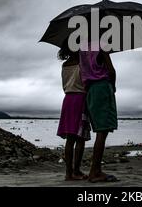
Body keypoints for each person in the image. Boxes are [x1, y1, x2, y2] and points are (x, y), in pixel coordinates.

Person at [80, 41, 118, 183]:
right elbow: (111, 71)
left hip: (90, 90)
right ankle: (94, 171)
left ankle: (94, 171)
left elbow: (82, 72)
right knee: (102, 132)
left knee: (100, 131)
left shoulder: (82, 49)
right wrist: (113, 87)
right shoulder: (101, 45)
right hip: (102, 88)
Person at [56, 43, 91, 181]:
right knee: (81, 138)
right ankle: (76, 171)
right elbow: (87, 82)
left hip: (68, 100)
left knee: (70, 139)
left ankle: (68, 173)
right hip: (80, 99)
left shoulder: (64, 65)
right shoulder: (83, 63)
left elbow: (64, 86)